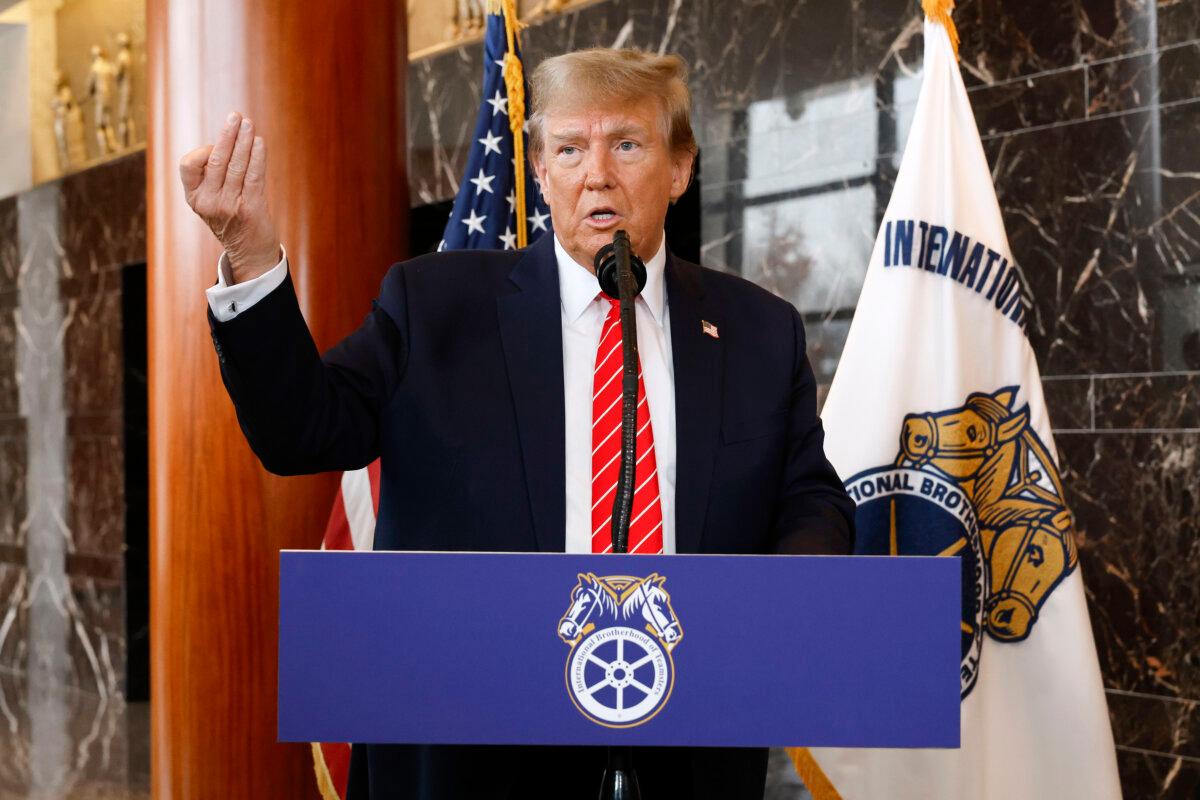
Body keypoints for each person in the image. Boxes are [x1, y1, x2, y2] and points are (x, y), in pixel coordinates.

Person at [178, 47, 854, 800]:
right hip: (471, 747)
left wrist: (798, 592)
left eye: (626, 144)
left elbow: (809, 498)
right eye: (570, 149)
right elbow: (301, 431)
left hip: (685, 741)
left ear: (680, 168)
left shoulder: (760, 330)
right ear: (539, 170)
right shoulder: (432, 307)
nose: (597, 174)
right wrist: (248, 253)